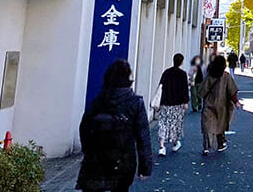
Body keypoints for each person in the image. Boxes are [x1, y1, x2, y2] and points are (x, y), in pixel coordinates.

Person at [77, 59, 152, 192]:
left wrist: (88, 151)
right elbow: (143, 137)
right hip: (123, 162)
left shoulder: (99, 100)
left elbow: (84, 128)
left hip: (96, 161)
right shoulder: (135, 102)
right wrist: (145, 167)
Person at [201, 55, 240, 155]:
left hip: (209, 104)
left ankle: (206, 146)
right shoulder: (226, 76)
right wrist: (236, 102)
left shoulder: (210, 76)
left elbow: (203, 90)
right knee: (220, 125)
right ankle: (220, 144)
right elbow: (232, 91)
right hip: (222, 105)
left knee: (207, 125)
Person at [156, 53, 189, 156]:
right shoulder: (182, 74)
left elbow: (160, 86)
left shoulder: (166, 72)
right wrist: (186, 102)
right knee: (175, 124)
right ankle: (175, 143)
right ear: (181, 62)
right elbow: (184, 89)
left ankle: (162, 147)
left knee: (163, 124)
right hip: (177, 104)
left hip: (165, 102)